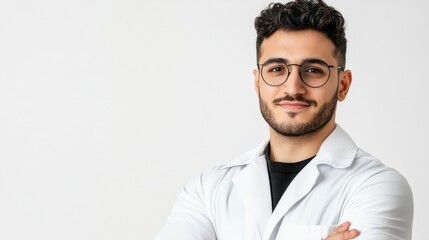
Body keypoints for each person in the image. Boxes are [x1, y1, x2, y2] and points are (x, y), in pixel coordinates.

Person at [155, 0, 414, 239]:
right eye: (277, 69)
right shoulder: (207, 189)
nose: (293, 88)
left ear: (343, 85)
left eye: (313, 71)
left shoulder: (377, 187)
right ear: (258, 83)